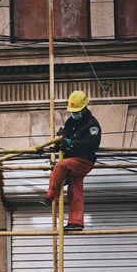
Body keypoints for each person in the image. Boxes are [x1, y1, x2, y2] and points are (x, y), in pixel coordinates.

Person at [41, 90, 101, 231]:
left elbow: (92, 144)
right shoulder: (70, 122)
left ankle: (50, 196)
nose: (74, 114)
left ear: (84, 108)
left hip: (84, 160)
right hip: (73, 161)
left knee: (61, 165)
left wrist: (71, 143)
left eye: (77, 111)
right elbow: (65, 141)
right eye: (73, 111)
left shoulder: (92, 124)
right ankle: (76, 222)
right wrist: (61, 141)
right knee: (75, 192)